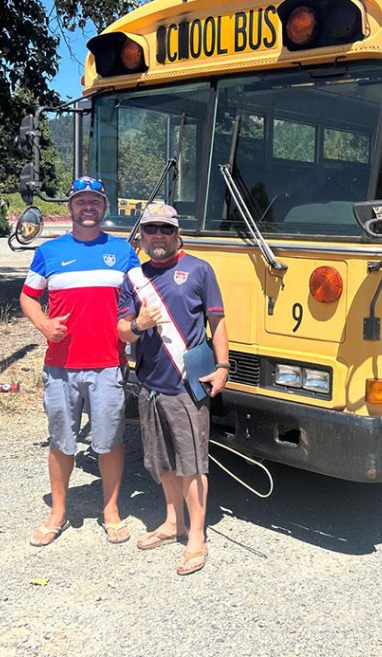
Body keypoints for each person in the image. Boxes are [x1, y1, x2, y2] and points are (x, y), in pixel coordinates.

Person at [19, 177, 139, 547]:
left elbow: (145, 294)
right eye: (81, 201)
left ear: (104, 208)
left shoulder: (123, 252)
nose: (88, 207)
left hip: (107, 365)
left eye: (95, 202)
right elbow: (27, 296)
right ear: (70, 208)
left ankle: (111, 510)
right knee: (62, 441)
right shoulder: (49, 252)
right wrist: (43, 323)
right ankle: (58, 512)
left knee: (109, 441)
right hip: (60, 367)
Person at [117, 201, 229, 575]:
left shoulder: (199, 270)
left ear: (177, 233)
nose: (159, 236)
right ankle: (172, 521)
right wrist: (138, 325)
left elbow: (218, 324)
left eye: (166, 229)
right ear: (143, 236)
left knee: (193, 463)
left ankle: (196, 535)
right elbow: (121, 329)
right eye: (151, 230)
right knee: (163, 461)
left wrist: (224, 366)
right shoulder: (133, 278)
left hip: (187, 385)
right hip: (150, 384)